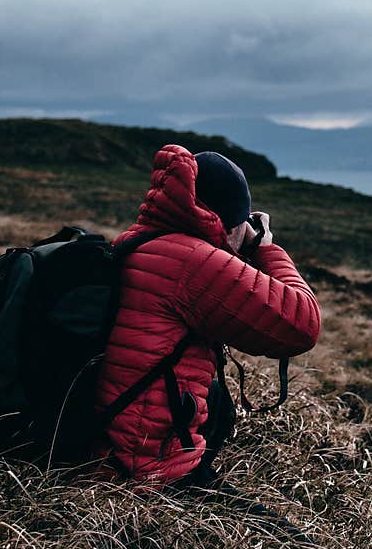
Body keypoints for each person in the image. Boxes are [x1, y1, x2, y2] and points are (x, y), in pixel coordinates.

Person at [93, 144, 321, 486]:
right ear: (227, 221)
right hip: (141, 468)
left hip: (97, 443)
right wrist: (265, 249)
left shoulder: (139, 240)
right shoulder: (195, 262)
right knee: (289, 540)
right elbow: (302, 324)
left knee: (213, 397)